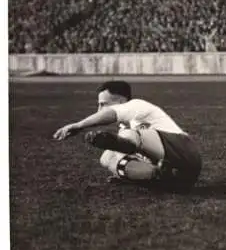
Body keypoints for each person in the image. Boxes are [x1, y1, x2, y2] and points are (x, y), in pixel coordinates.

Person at [53, 80, 202, 189]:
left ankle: (122, 151)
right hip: (179, 173)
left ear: (121, 101)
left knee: (129, 136)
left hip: (185, 151)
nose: (99, 109)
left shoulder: (136, 105)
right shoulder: (127, 125)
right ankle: (158, 176)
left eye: (103, 104)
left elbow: (112, 114)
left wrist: (79, 125)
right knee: (107, 157)